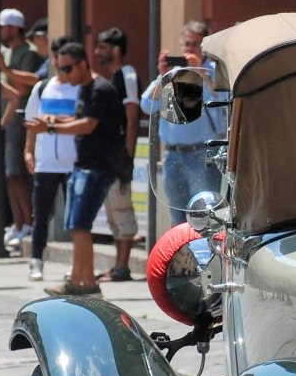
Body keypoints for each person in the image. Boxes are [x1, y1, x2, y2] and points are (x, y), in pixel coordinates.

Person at [42, 42, 126, 296]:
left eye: (67, 68)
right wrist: (56, 120)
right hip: (85, 165)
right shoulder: (85, 89)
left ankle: (85, 282)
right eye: (60, 68)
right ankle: (80, 279)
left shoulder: (101, 89)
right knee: (76, 226)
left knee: (80, 225)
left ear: (82, 64)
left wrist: (51, 128)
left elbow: (88, 125)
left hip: (97, 166)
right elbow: (81, 119)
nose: (63, 74)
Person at [141, 20, 224, 226]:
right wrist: (162, 75)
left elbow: (224, 97)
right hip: (173, 155)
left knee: (204, 217)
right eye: (186, 44)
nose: (190, 49)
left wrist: (201, 73)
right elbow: (146, 104)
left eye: (195, 44)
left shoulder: (213, 72)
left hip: (202, 155)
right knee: (178, 219)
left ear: (204, 47)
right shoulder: (172, 74)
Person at [22, 36, 80, 281]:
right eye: (56, 60)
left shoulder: (80, 88)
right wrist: (28, 150)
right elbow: (31, 122)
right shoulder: (42, 87)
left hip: (72, 161)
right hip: (46, 161)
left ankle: (76, 263)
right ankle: (36, 260)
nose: (59, 66)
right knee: (41, 214)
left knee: (75, 218)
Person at [92, 27, 140, 281]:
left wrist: (126, 158)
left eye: (102, 46)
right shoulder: (113, 78)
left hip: (118, 158)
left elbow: (132, 119)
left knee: (122, 211)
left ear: (116, 50)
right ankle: (117, 265)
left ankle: (123, 267)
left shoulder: (127, 75)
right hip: (109, 157)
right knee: (112, 212)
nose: (97, 51)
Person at [0, 8, 42, 251]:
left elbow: (26, 86)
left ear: (13, 28)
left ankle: (28, 221)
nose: (1, 32)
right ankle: (18, 222)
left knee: (17, 173)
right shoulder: (3, 52)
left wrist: (5, 70)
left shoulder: (28, 52)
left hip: (20, 118)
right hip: (2, 118)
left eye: (3, 27)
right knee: (7, 175)